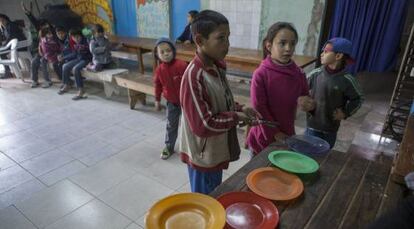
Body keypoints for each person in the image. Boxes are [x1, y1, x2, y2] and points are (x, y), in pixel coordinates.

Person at [179, 10, 260, 194]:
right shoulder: (194, 76)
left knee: (214, 192)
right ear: (200, 41)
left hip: (214, 152)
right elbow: (203, 124)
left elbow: (219, 101)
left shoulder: (215, 66)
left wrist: (241, 108)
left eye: (228, 38)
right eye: (221, 38)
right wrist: (235, 116)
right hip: (203, 157)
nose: (227, 45)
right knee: (205, 201)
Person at [246, 22, 315, 156]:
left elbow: (306, 99)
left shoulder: (298, 73)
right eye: (282, 43)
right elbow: (260, 109)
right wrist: (276, 133)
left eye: (292, 43)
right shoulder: (261, 74)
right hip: (264, 136)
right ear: (269, 45)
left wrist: (309, 105)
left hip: (287, 134)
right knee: (260, 173)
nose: (288, 48)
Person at [305, 37, 364, 148]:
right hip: (312, 124)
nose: (321, 54)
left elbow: (359, 98)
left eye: (326, 52)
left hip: (330, 128)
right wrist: (303, 100)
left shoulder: (347, 80)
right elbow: (301, 88)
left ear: (338, 56)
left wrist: (345, 112)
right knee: (308, 152)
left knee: (325, 154)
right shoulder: (316, 74)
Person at [153, 37, 188, 159]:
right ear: (157, 55)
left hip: (186, 102)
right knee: (171, 125)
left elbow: (190, 82)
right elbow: (157, 85)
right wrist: (157, 100)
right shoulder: (159, 70)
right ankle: (169, 146)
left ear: (173, 50)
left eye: (168, 50)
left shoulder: (182, 65)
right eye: (162, 52)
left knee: (188, 125)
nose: (166, 54)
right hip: (171, 103)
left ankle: (188, 147)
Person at [58, 28, 91, 100]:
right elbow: (75, 54)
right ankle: (67, 84)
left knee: (76, 69)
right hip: (79, 58)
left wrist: (91, 62)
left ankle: (81, 90)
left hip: (87, 60)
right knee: (65, 66)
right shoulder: (74, 43)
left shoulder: (86, 41)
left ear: (80, 35)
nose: (76, 39)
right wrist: (64, 57)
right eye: (73, 37)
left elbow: (92, 53)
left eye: (77, 37)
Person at [0, 13, 26, 79]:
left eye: (2, 21)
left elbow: (11, 37)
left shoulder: (11, 25)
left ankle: (8, 72)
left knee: (2, 53)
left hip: (20, 46)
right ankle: (8, 71)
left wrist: (4, 45)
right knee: (2, 52)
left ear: (5, 20)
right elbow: (6, 38)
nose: (1, 23)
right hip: (16, 45)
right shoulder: (6, 27)